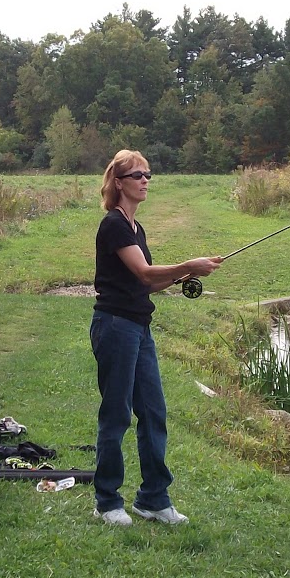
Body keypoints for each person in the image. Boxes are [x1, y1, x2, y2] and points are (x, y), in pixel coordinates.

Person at [90, 150, 222, 526]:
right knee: (116, 415)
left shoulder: (136, 228)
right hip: (115, 327)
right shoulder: (114, 225)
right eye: (137, 175)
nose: (145, 180)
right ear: (119, 183)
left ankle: (153, 499)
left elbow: (146, 284)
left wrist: (183, 276)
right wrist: (188, 264)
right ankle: (107, 502)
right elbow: (145, 273)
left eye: (148, 174)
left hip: (139, 327)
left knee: (153, 412)